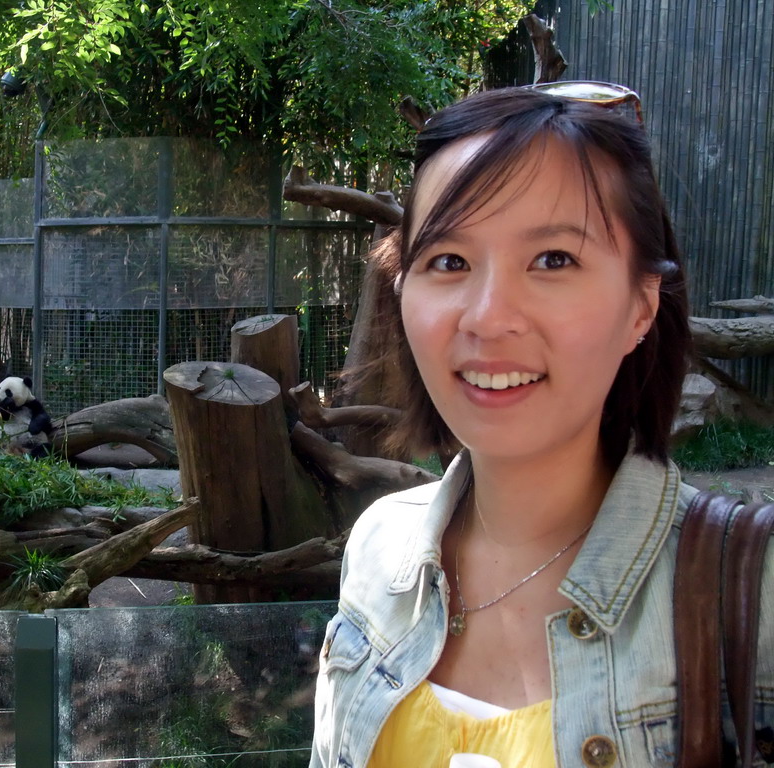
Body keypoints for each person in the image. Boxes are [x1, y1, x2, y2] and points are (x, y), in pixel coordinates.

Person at [309, 85, 773, 767]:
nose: (489, 317)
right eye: (450, 261)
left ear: (641, 307)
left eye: (553, 260)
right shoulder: (382, 552)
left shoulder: (753, 591)